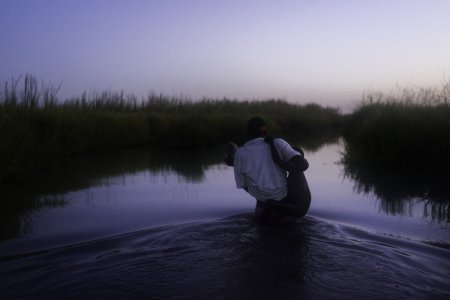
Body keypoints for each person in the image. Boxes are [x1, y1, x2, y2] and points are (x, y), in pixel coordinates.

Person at [230, 116, 311, 224]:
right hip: (287, 205)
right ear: (264, 130)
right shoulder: (278, 143)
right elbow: (302, 164)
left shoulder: (239, 154)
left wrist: (235, 163)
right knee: (297, 166)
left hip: (262, 211)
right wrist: (279, 160)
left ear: (247, 133)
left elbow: (244, 186)